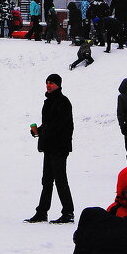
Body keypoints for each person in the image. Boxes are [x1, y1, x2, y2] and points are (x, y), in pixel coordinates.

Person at [25, 73, 74, 224]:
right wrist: (38, 131)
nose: (48, 85)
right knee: (46, 180)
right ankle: (42, 212)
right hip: (49, 147)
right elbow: (49, 125)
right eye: (47, 82)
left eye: (52, 83)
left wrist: (46, 133)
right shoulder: (49, 102)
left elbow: (63, 126)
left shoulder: (63, 102)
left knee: (60, 180)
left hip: (59, 147)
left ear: (59, 85)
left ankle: (68, 212)